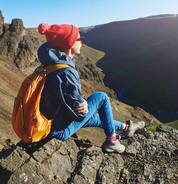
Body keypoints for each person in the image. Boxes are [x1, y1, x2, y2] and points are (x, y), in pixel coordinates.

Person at [37, 22, 145, 153]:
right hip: (57, 131)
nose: (82, 42)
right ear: (70, 44)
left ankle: (127, 127)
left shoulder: (51, 64)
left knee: (94, 117)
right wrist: (84, 105)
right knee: (102, 97)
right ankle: (112, 141)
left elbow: (62, 96)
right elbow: (79, 116)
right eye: (80, 39)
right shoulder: (64, 72)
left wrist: (81, 100)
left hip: (55, 120)